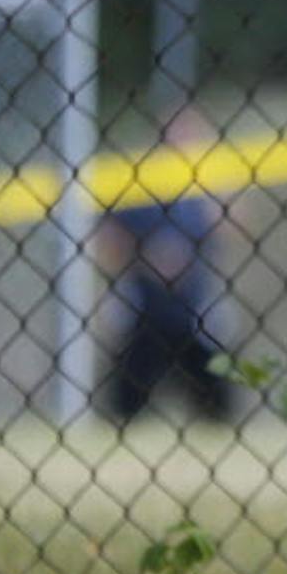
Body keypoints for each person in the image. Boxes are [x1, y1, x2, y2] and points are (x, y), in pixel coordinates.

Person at [101, 105, 234, 422]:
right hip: (147, 303)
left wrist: (216, 191)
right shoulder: (140, 180)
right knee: (129, 394)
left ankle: (216, 418)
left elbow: (236, 226)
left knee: (214, 390)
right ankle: (122, 419)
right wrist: (146, 256)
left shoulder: (205, 183)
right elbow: (108, 235)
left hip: (195, 302)